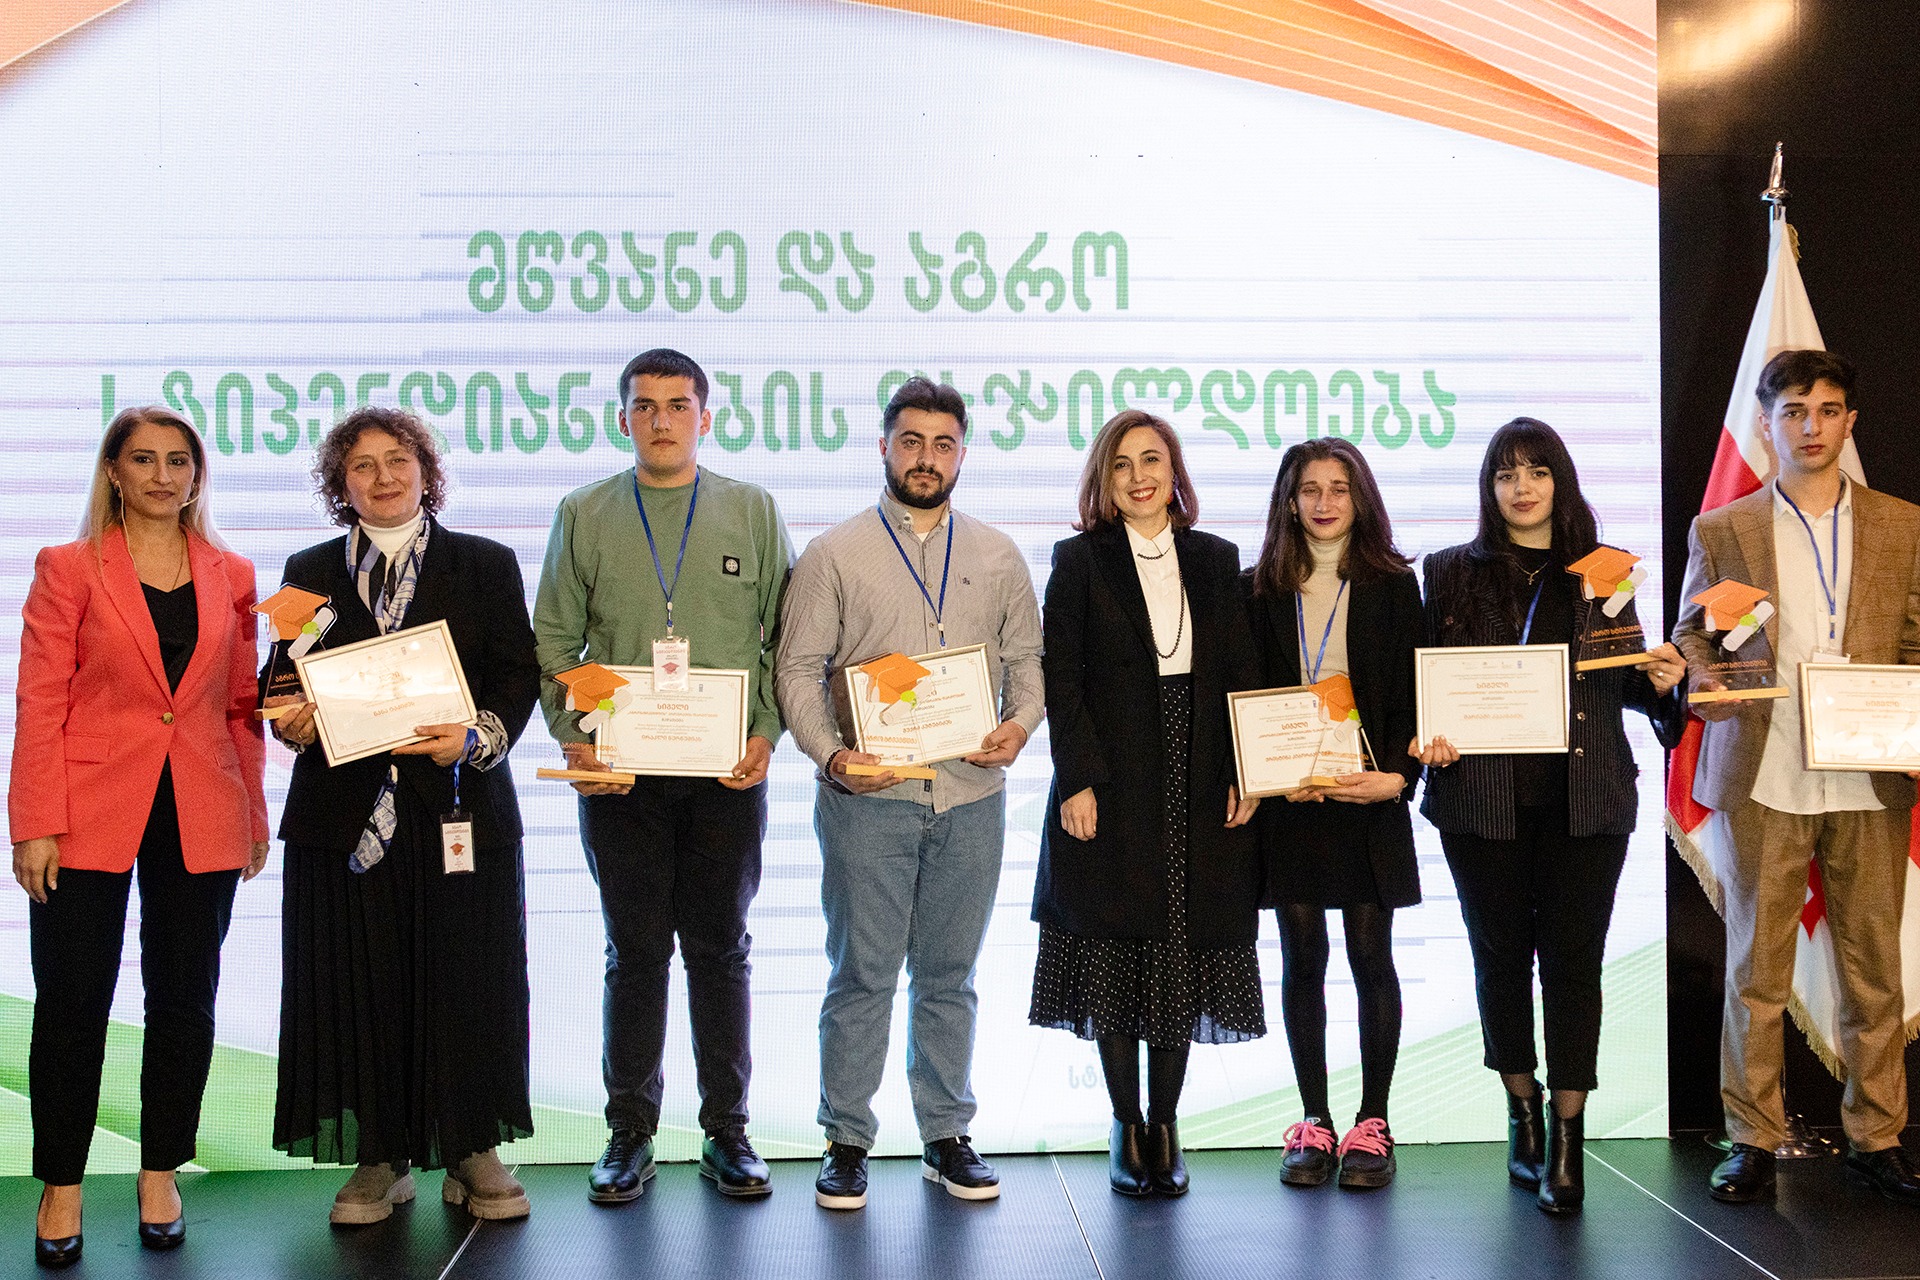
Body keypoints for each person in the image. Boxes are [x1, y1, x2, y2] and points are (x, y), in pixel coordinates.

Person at [263, 406, 541, 1224]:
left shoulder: (484, 563)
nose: (382, 477)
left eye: (397, 460)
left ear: (426, 470)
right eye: (362, 465)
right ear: (339, 483)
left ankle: (471, 1147)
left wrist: (476, 736)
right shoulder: (307, 573)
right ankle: (378, 1156)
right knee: (356, 985)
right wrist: (289, 719)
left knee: (468, 980)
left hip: (457, 809)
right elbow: (282, 680)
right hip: (343, 818)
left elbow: (516, 676)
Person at [774, 376, 1043, 1211]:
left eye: (943, 444)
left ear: (962, 454)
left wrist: (1019, 726)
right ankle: (846, 1140)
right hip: (869, 801)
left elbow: (1027, 664)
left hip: (971, 796)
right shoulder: (834, 553)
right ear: (884, 446)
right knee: (862, 973)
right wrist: (833, 756)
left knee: (950, 975)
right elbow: (796, 670)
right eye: (912, 441)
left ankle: (946, 1135)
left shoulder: (998, 554)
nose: (927, 458)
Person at [11, 406, 268, 1268]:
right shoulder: (67, 566)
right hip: (84, 813)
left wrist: (253, 815)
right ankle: (62, 1186)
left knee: (185, 1000)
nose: (163, 475)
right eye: (145, 459)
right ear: (113, 472)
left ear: (197, 475)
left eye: (179, 461)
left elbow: (241, 707)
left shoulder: (234, 573)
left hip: (204, 809)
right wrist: (34, 824)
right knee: (72, 1004)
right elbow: (40, 703)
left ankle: (161, 1173)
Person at [534, 348, 792, 1202]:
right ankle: (628, 1134)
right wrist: (579, 740)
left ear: (705, 418)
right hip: (623, 777)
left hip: (727, 775)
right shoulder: (584, 513)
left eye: (678, 405)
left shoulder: (752, 510)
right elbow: (554, 642)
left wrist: (766, 733)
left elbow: (785, 640)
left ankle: (729, 1131)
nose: (661, 420)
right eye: (644, 406)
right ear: (623, 420)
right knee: (636, 952)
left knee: (721, 951)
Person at [1419, 417, 1686, 1215]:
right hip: (1480, 802)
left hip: (1587, 800)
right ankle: (1523, 1109)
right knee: (1500, 960)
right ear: (1489, 488)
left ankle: (1569, 1138)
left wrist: (1663, 681)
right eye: (1506, 474)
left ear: (1561, 481)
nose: (1522, 487)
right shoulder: (1447, 572)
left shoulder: (1606, 571)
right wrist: (1425, 736)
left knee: (1574, 965)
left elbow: (1629, 682)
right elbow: (1427, 684)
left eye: (1537, 471)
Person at [1673, 350, 1920, 1206]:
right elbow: (1696, 636)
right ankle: (1752, 1138)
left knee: (1875, 967)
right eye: (1793, 411)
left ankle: (1877, 1135)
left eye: (1828, 410)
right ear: (1766, 423)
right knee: (1756, 969)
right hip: (1764, 768)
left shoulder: (1902, 524)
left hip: (1869, 772)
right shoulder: (1724, 527)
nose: (1811, 427)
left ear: (1850, 421)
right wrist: (1702, 679)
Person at [1029, 410, 1264, 1198]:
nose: (1139, 477)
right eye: (1122, 463)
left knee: (1179, 950)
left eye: (1152, 460)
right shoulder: (1078, 560)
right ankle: (1127, 1123)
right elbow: (1062, 678)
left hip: (1199, 772)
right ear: (1104, 478)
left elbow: (1241, 672)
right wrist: (1077, 780)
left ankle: (1166, 1123)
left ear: (1175, 472)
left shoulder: (1217, 559)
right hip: (1110, 778)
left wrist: (1246, 769)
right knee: (1114, 951)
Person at [1242, 438, 1421, 1191]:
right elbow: (1246, 695)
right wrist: (1269, 776)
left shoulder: (1394, 586)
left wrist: (1400, 778)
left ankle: (1373, 1122)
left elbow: (1414, 696)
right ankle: (1313, 1121)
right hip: (1291, 804)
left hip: (1367, 795)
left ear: (1360, 498)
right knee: (1303, 957)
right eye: (1309, 489)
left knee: (1371, 956)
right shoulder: (1257, 589)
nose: (1323, 502)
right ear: (1289, 501)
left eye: (1338, 489)